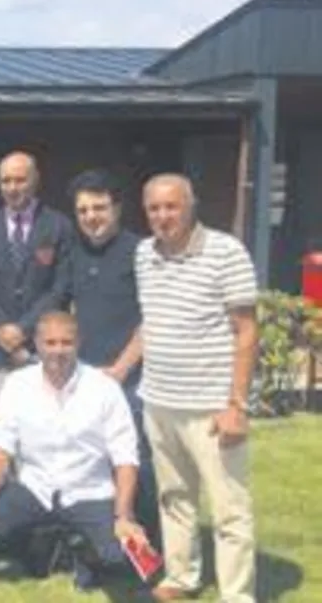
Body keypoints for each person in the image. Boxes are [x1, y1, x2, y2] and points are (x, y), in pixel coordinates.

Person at [136, 174, 258, 603]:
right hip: (159, 400)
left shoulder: (226, 252)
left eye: (171, 206)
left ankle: (237, 594)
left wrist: (236, 404)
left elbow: (246, 331)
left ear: (191, 206)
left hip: (211, 406)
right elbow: (152, 321)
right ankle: (181, 576)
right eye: (154, 208)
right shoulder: (144, 254)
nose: (163, 216)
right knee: (174, 498)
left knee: (229, 509)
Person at [0, 311, 146, 594]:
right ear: (37, 344)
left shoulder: (104, 388)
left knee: (131, 559)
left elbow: (125, 458)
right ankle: (45, 545)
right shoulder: (18, 384)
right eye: (50, 342)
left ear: (78, 343)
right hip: (37, 488)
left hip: (89, 491)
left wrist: (124, 517)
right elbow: (0, 446)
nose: (58, 350)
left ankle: (80, 554)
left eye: (65, 342)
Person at [65, 168, 158, 544]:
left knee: (135, 462)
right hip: (86, 378)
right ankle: (99, 541)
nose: (91, 217)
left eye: (99, 208)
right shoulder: (73, 252)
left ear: (117, 208)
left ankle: (148, 543)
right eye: (83, 210)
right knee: (90, 461)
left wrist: (120, 369)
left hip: (131, 380)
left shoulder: (141, 253)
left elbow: (152, 318)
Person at [0, 151, 74, 371]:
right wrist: (0, 327)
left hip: (42, 344)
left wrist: (24, 329)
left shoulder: (59, 226)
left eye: (20, 180)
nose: (12, 188)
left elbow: (61, 286)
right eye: (5, 181)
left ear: (35, 181)